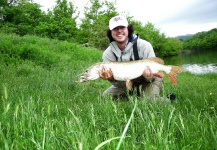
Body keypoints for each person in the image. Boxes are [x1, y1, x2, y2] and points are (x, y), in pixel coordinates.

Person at [99, 15, 170, 103]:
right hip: (127, 82)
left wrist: (148, 76)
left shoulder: (144, 45)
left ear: (128, 29)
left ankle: (168, 100)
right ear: (110, 32)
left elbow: (154, 76)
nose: (119, 31)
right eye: (115, 28)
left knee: (149, 101)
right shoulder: (108, 54)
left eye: (122, 27)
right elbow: (118, 84)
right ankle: (137, 95)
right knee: (105, 98)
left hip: (149, 79)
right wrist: (111, 78)